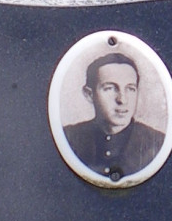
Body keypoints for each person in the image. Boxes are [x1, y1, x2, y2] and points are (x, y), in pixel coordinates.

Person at [62, 46, 165, 181]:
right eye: (110, 88)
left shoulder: (156, 142)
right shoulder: (69, 137)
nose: (122, 99)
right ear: (89, 94)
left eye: (130, 89)